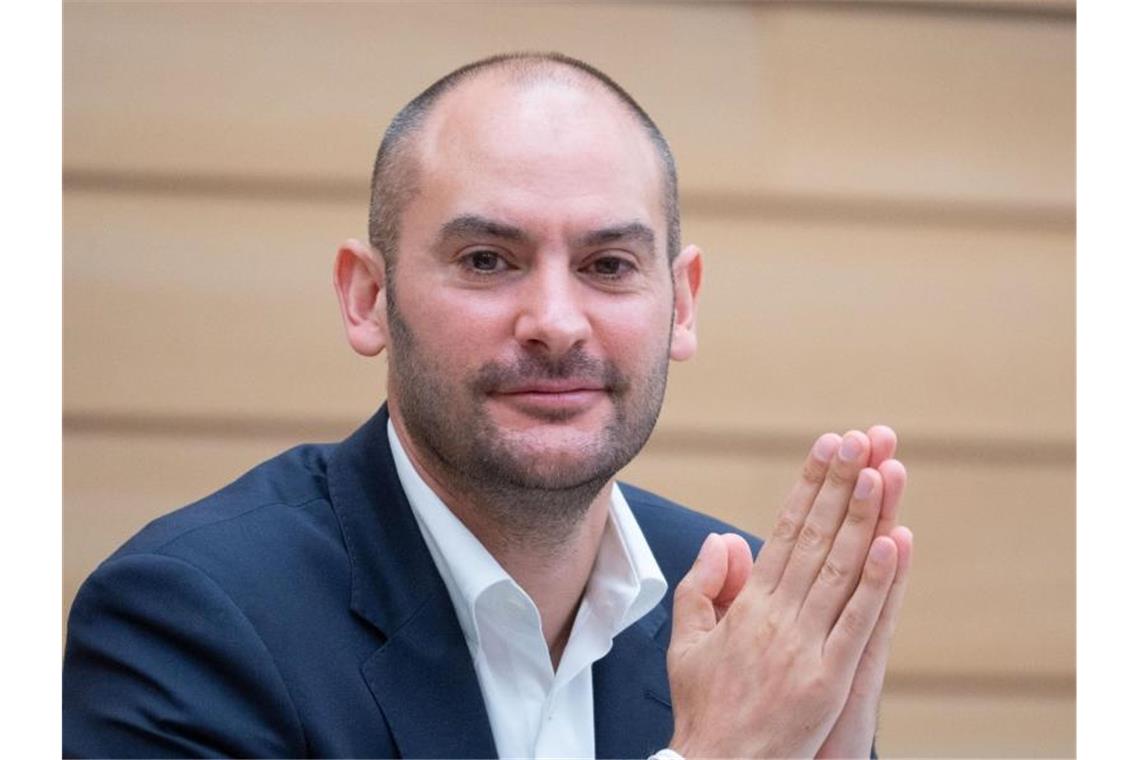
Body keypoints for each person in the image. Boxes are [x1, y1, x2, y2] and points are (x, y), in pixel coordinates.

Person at [63, 52, 913, 759]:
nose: (553, 322)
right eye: (485, 260)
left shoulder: (745, 617)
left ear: (681, 305)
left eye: (609, 264)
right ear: (367, 298)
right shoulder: (190, 618)